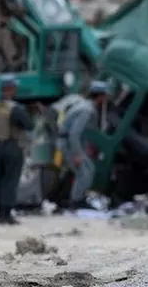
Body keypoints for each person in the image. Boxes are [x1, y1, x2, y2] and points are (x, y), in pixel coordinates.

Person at [0, 74, 34, 225]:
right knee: (10, 180)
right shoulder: (15, 108)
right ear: (11, 89)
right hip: (11, 146)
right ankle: (7, 215)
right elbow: (29, 125)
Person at [58, 80, 108, 210]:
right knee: (84, 172)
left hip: (69, 142)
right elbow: (74, 134)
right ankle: (76, 202)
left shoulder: (83, 105)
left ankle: (78, 198)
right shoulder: (86, 110)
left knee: (88, 170)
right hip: (68, 144)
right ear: (101, 96)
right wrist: (77, 154)